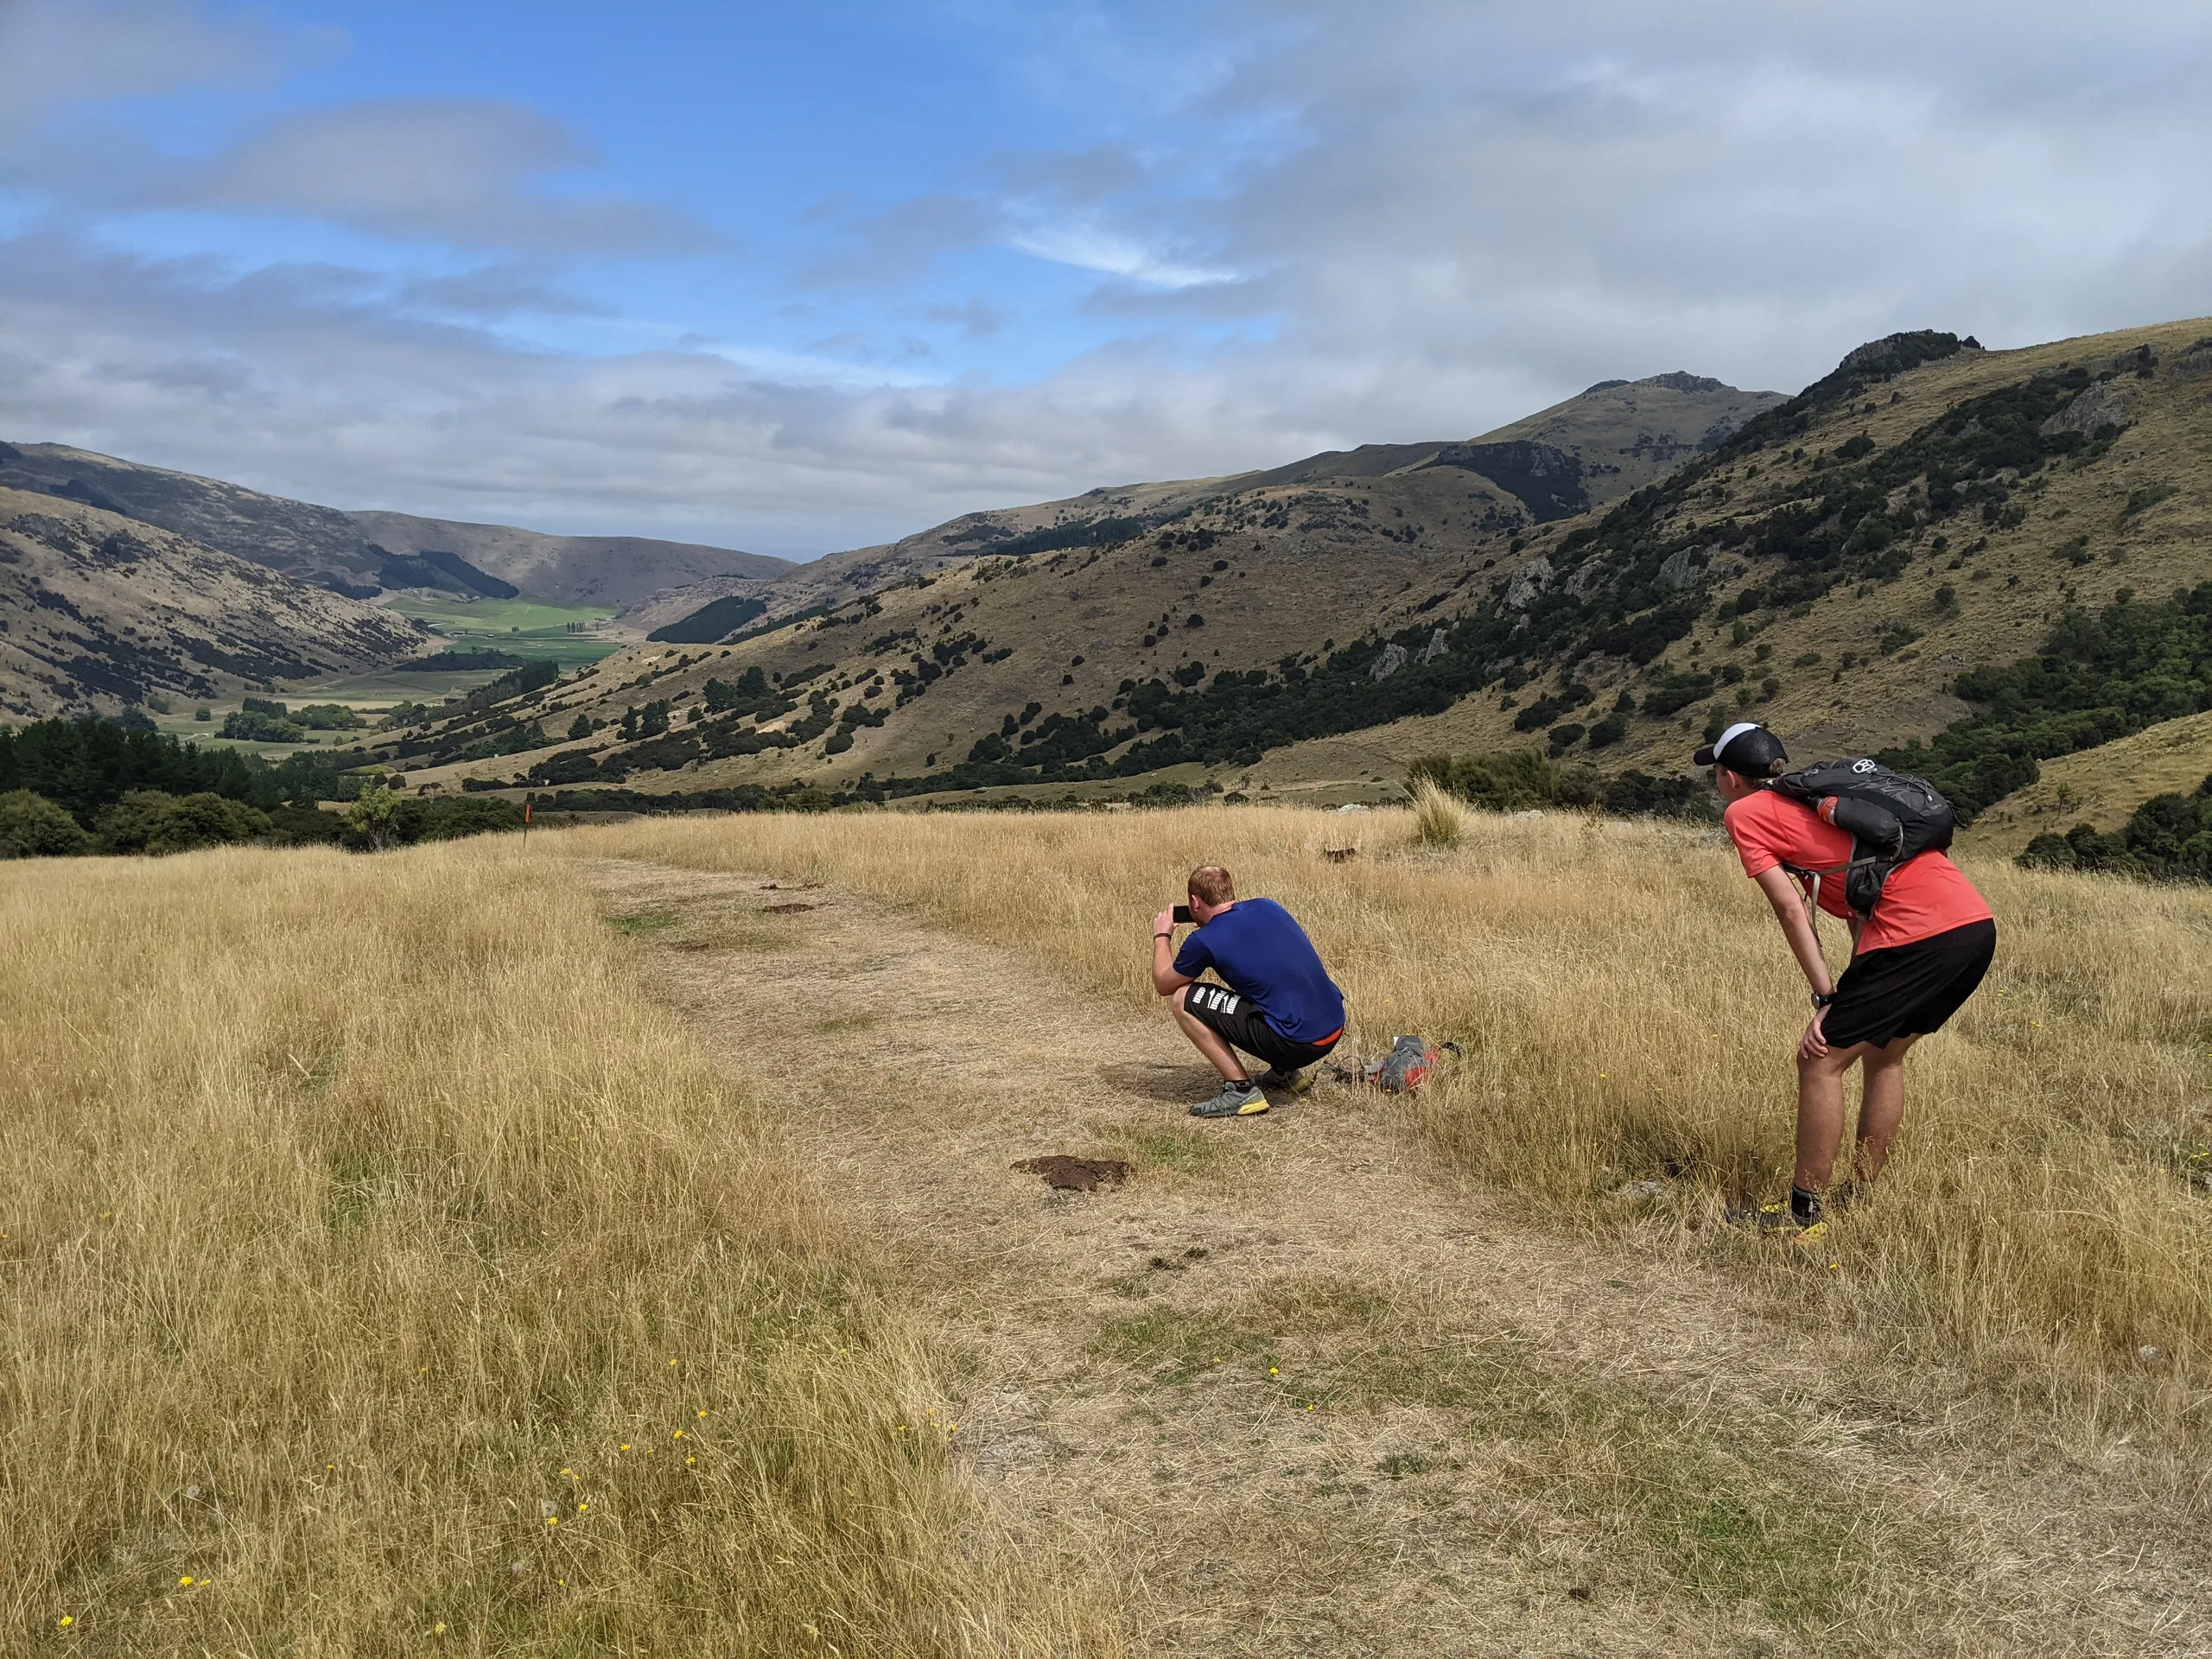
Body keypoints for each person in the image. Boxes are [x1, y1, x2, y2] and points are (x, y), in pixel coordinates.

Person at [1700, 721, 1995, 1236]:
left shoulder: (1743, 813)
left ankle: (1803, 1214)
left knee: (1819, 1059)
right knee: (1885, 1055)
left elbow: (1791, 910)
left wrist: (1826, 997)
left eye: (1717, 774)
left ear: (1728, 776)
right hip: (1972, 927)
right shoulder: (1822, 799)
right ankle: (1859, 1201)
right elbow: (1862, 907)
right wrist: (1854, 985)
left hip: (1916, 936)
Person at [1150, 864, 1346, 1118]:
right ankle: (1284, 1074)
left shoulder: (1204, 940)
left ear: (1194, 902)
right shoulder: (1267, 906)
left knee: (1183, 998)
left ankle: (1241, 1092)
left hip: (1297, 1043)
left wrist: (1162, 936)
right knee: (1266, 989)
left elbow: (1163, 984)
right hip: (1333, 1028)